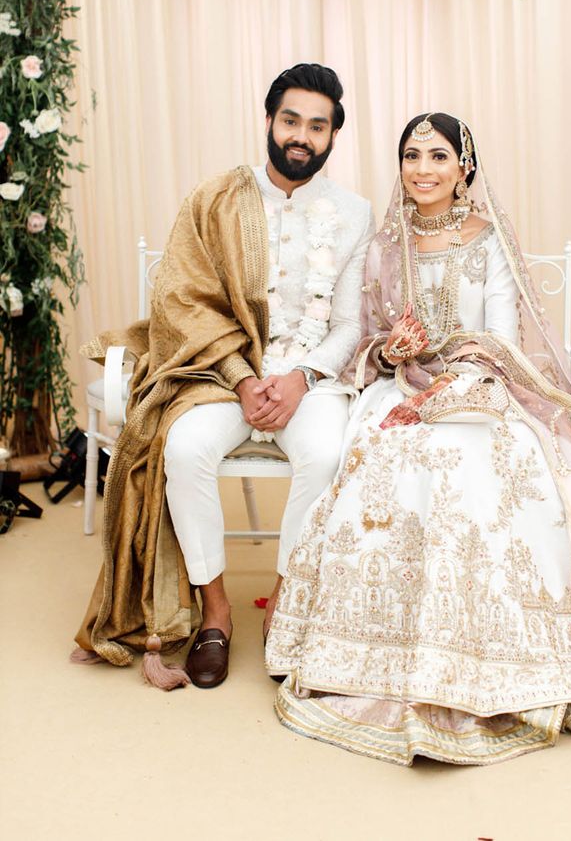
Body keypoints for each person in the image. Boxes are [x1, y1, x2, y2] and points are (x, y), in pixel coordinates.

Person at [265, 112, 571, 766]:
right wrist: (391, 350)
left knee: (488, 456)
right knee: (392, 455)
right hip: (399, 391)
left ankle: (502, 648)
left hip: (480, 386)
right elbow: (365, 343)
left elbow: (500, 341)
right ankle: (386, 648)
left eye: (438, 156)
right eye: (412, 156)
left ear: (464, 168)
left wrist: (451, 390)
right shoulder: (382, 246)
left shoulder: (487, 241)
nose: (423, 169)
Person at [73, 63, 374, 689]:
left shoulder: (354, 214)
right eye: (290, 120)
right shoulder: (213, 200)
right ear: (269, 121)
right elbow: (182, 303)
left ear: (332, 138)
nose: (301, 135)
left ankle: (286, 603)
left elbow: (349, 323)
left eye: (317, 126)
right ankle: (215, 612)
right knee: (183, 448)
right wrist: (243, 378)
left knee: (325, 454)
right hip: (220, 371)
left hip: (310, 379)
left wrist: (300, 378)